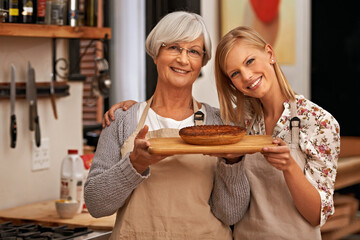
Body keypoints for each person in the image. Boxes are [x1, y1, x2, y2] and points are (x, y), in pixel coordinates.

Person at [104, 26, 341, 239]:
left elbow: (316, 217)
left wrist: (289, 168)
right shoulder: (236, 122)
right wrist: (132, 109)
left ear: (270, 54)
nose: (246, 76)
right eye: (235, 74)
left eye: (250, 61)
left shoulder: (319, 123)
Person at [84, 11, 250, 239]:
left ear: (202, 61)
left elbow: (230, 214)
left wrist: (232, 162)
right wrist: (135, 164)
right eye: (173, 47)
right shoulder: (122, 120)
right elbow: (96, 204)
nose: (183, 59)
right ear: (155, 54)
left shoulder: (219, 123)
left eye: (193, 51)